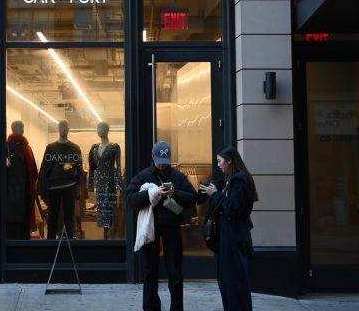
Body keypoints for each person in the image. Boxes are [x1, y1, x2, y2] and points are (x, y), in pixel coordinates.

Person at [126, 141, 197, 311]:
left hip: (172, 227)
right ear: (152, 157)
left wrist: (175, 193)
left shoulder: (178, 177)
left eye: (166, 162)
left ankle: (177, 308)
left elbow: (193, 198)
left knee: (175, 272)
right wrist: (153, 193)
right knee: (150, 271)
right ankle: (151, 307)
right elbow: (130, 198)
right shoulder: (143, 176)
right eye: (159, 161)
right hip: (151, 228)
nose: (163, 165)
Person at [199, 145, 258, 311]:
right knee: (229, 283)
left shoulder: (239, 181)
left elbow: (233, 208)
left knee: (233, 284)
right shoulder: (234, 180)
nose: (218, 165)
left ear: (229, 161)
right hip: (230, 240)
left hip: (233, 241)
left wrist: (215, 194)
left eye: (220, 161)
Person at [38, 119, 84, 239]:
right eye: (61, 126)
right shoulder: (51, 148)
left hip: (69, 186)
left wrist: (78, 183)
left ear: (68, 129)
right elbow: (45, 168)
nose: (63, 129)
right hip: (54, 186)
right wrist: (44, 186)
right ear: (58, 129)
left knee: (69, 215)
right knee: (53, 215)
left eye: (65, 126)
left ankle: (69, 241)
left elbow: (79, 168)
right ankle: (51, 243)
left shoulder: (75, 148)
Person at [88, 122, 122, 239]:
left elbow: (118, 167)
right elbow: (92, 167)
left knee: (111, 211)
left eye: (101, 128)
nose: (99, 130)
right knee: (102, 212)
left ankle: (110, 237)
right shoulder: (94, 147)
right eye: (98, 128)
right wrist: (91, 186)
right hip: (100, 184)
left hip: (110, 182)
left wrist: (118, 186)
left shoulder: (114, 146)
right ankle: (105, 238)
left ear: (107, 130)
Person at [6, 120, 38, 239]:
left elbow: (34, 171)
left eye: (23, 126)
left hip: (25, 193)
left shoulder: (27, 148)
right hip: (10, 194)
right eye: (20, 126)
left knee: (23, 224)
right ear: (13, 128)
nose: (22, 129)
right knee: (13, 225)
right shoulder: (7, 147)